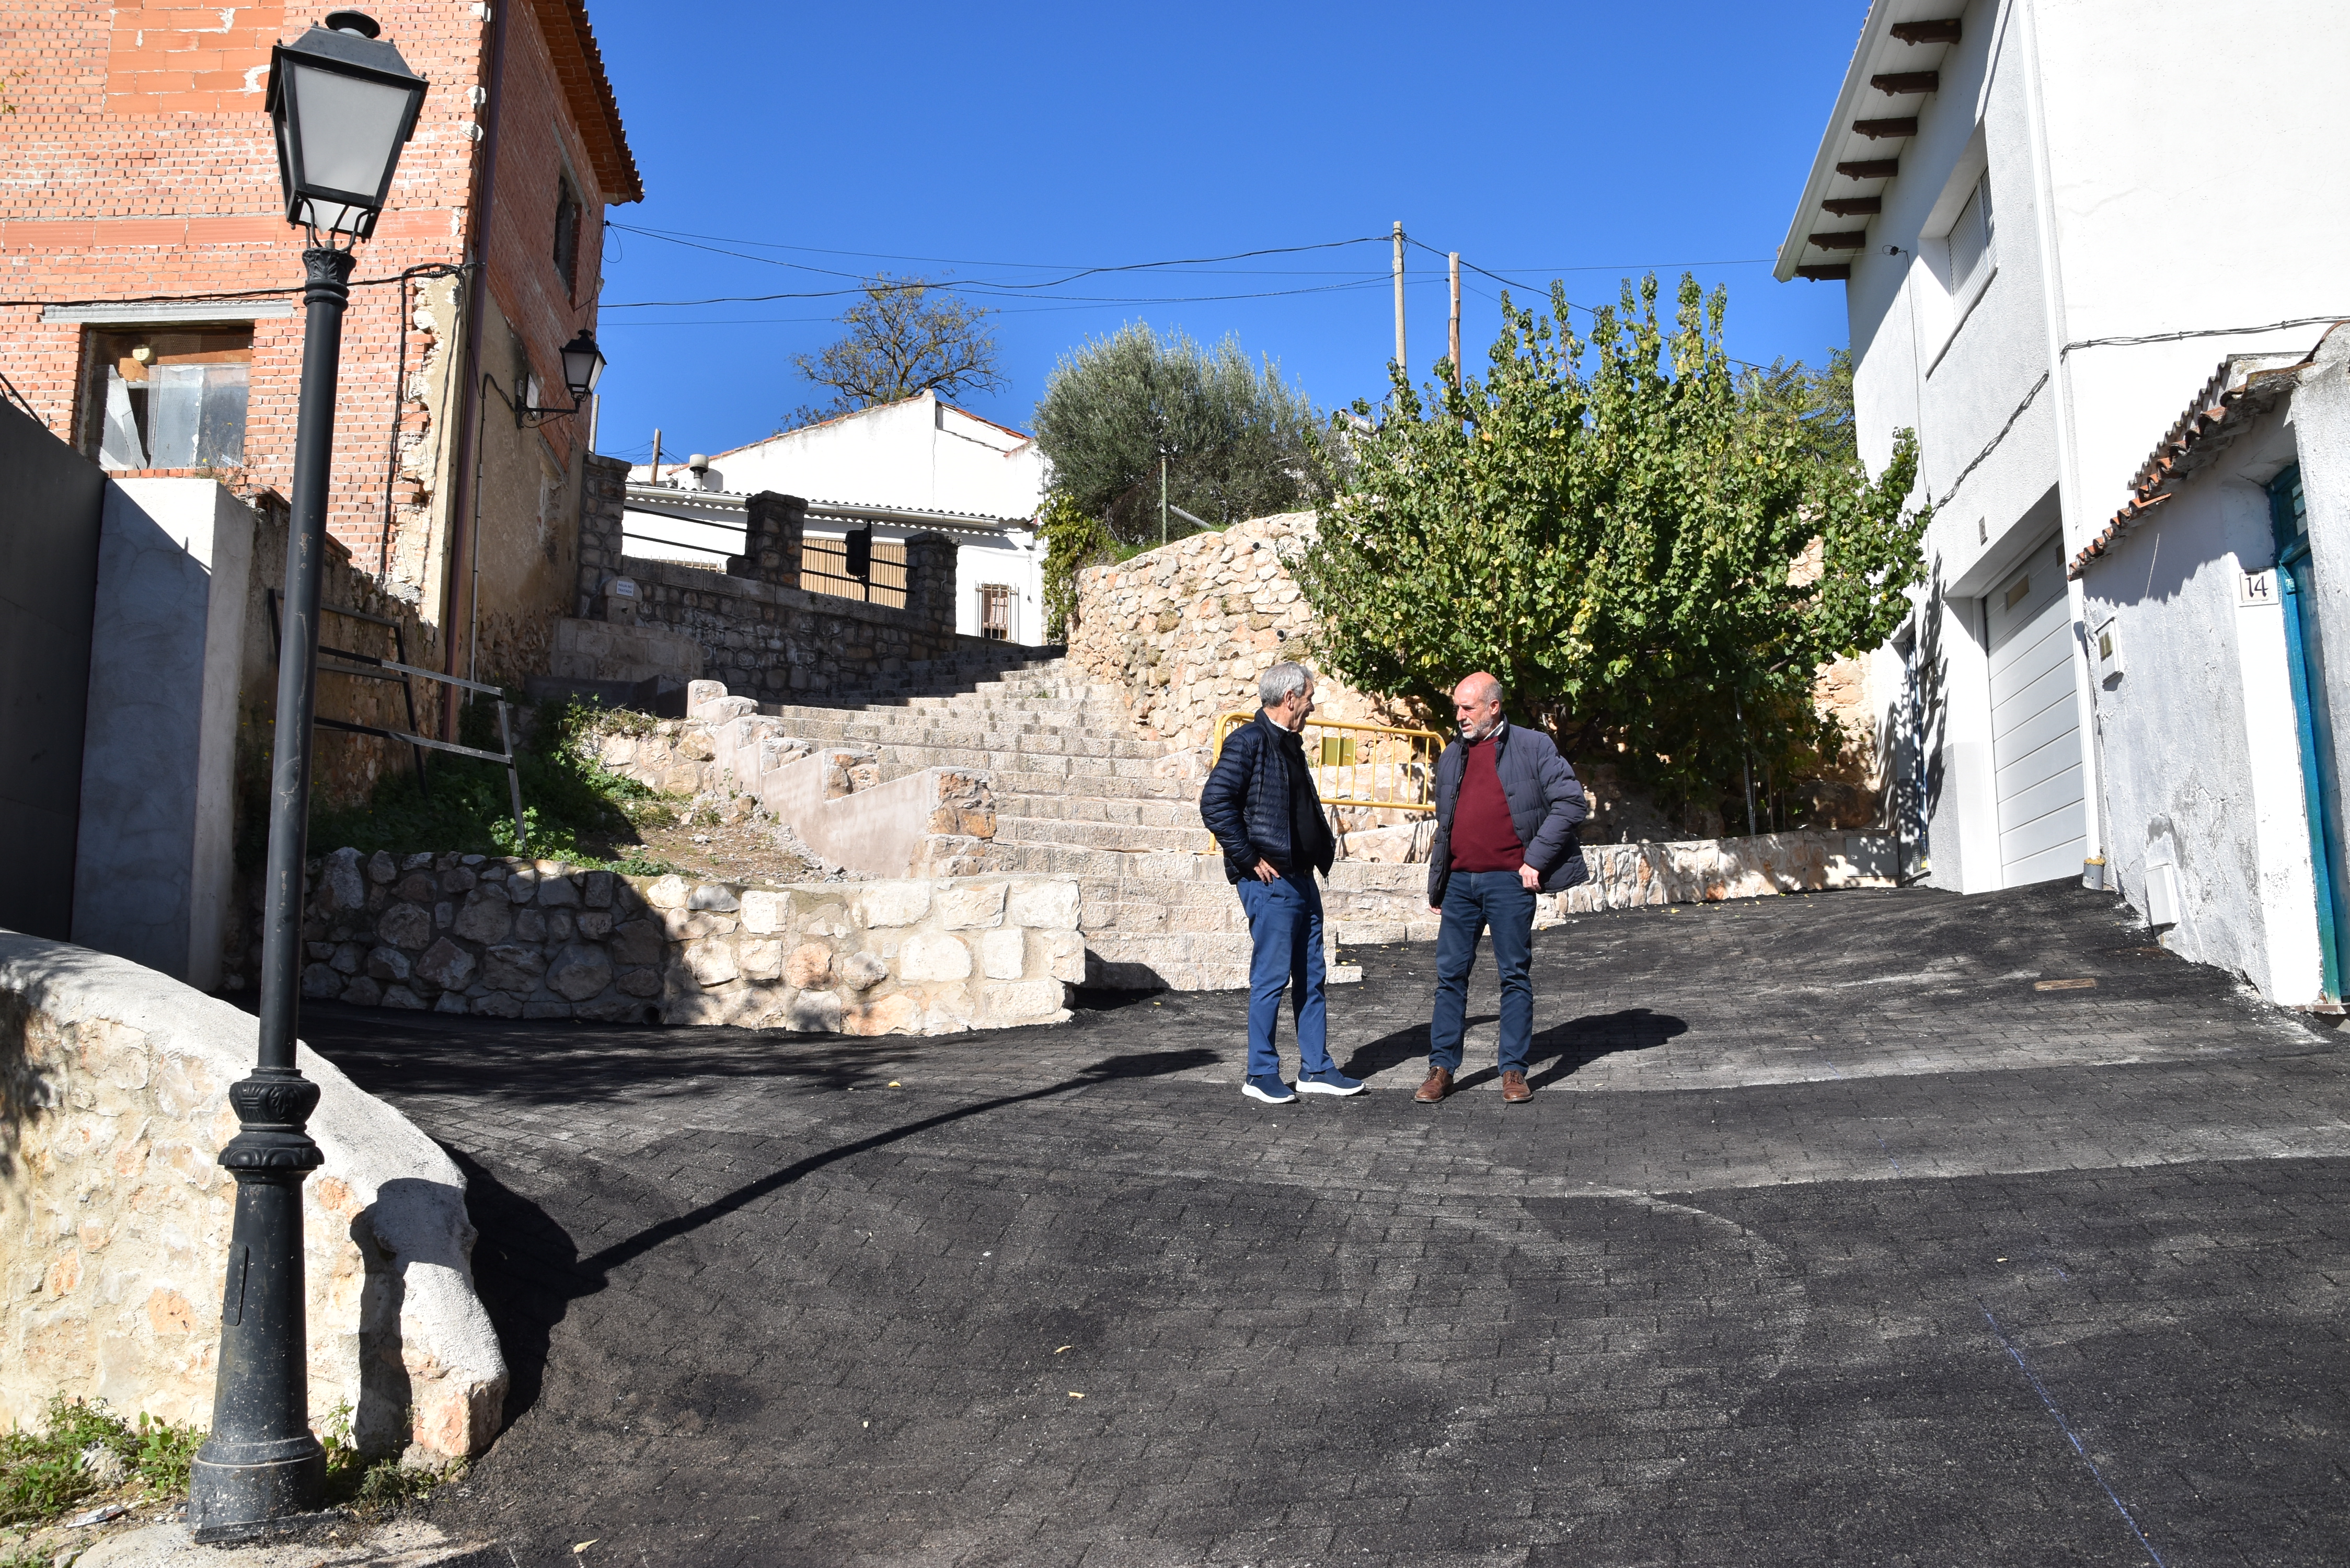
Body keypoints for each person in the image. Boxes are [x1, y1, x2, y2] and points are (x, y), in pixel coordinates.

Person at [1418, 672, 1588, 1104]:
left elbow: (1571, 802)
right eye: (1457, 707)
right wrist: (1438, 884)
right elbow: (1447, 825)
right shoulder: (1453, 754)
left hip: (1509, 883)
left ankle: (1513, 1071)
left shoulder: (1533, 745)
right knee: (1450, 976)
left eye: (1468, 708)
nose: (1459, 716)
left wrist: (1536, 859)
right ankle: (1441, 1069)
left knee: (1514, 975)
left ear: (1494, 706)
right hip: (1459, 883)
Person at [1199, 662, 1364, 1104]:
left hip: (1301, 879)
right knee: (1271, 978)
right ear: (1290, 698)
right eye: (1309, 698)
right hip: (1270, 883)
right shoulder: (1248, 741)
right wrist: (1249, 858)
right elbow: (1215, 803)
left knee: (1313, 975)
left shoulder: (1290, 744)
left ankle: (1316, 1069)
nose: (1312, 707)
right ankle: (1260, 1072)